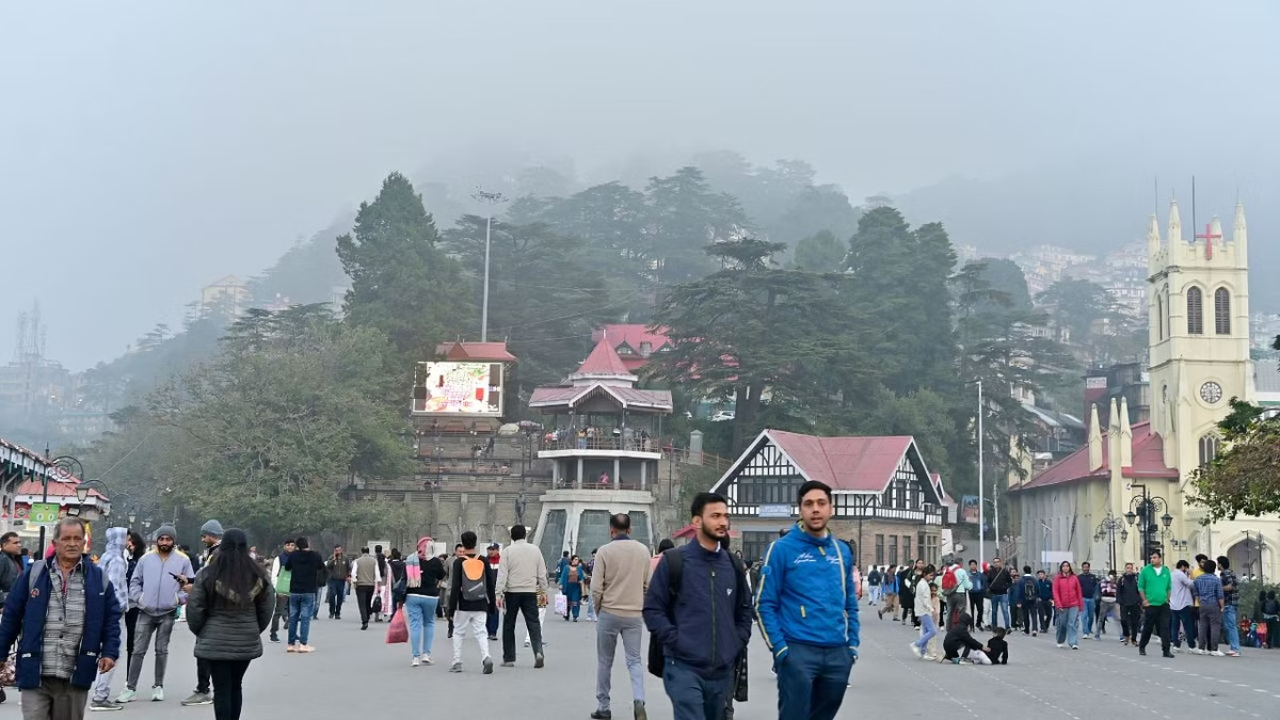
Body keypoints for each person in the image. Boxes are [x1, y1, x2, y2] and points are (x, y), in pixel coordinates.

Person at [644, 493, 752, 720]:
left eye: (725, 516)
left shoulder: (732, 565)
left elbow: (744, 609)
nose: (723, 521)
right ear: (696, 521)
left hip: (722, 671)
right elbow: (653, 609)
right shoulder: (675, 561)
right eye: (715, 516)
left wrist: (736, 640)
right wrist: (675, 640)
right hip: (682, 667)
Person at [0, 517, 122, 718]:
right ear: (55, 543)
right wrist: (1, 652)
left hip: (75, 671)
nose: (72, 543)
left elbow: (111, 618)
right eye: (66, 538)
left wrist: (109, 651)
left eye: (77, 538)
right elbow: (11, 616)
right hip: (35, 671)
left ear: (84, 543)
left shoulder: (98, 579)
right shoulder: (33, 575)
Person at [756, 481, 858, 720]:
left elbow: (850, 602)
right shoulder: (781, 549)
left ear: (831, 509)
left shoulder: (841, 551)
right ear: (800, 509)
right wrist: (781, 649)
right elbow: (764, 604)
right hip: (797, 649)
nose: (815, 509)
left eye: (821, 503)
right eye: (808, 504)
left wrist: (851, 645)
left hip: (837, 653)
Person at [185, 528, 274, 720]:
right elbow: (266, 609)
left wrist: (202, 631)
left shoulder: (208, 574)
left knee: (222, 688)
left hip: (215, 639)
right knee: (236, 685)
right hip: (246, 638)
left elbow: (195, 608)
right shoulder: (259, 575)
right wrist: (253, 628)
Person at [120, 524, 193, 703]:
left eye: (168, 539)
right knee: (137, 650)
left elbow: (190, 585)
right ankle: (130, 688)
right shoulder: (146, 559)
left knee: (161, 650)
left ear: (173, 541)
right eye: (162, 539)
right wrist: (139, 598)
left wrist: (178, 599)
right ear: (157, 540)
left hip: (168, 612)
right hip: (145, 611)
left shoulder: (183, 560)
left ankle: (158, 686)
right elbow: (135, 581)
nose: (164, 542)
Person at [589, 514, 651, 720]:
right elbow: (647, 584)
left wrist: (599, 610)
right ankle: (639, 699)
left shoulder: (604, 552)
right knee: (634, 660)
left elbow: (596, 588)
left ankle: (604, 706)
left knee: (605, 661)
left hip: (609, 611)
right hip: (633, 614)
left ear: (611, 530)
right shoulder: (643, 551)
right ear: (630, 530)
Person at [181, 519, 223, 707]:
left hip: (211, 608)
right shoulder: (215, 552)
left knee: (204, 650)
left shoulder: (218, 554)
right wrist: (191, 579)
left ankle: (203, 689)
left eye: (204, 535)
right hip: (214, 607)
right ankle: (212, 687)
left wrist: (194, 588)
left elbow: (211, 581)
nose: (203, 538)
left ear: (211, 534)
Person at [495, 524, 548, 669]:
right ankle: (538, 651)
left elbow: (502, 574)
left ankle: (509, 658)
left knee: (509, 624)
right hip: (530, 591)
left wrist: (498, 594)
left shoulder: (507, 551)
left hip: (512, 592)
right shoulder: (535, 550)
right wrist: (544, 592)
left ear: (511, 536)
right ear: (525, 535)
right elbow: (542, 573)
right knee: (533, 623)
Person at [88, 528, 129, 711]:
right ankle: (101, 695)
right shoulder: (118, 560)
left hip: (98, 609)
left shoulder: (105, 556)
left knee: (102, 652)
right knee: (112, 653)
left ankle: (99, 691)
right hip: (112, 612)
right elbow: (115, 588)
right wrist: (120, 608)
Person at [448, 531, 495, 674]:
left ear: (463, 543)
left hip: (463, 604)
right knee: (481, 632)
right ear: (476, 543)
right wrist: (491, 605)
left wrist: (451, 608)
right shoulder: (483, 560)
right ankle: (486, 656)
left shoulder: (459, 562)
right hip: (481, 602)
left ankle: (457, 661)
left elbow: (455, 586)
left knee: (458, 632)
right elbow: (490, 584)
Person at [403, 536, 446, 666]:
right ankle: (426, 654)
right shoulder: (436, 561)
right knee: (429, 623)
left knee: (415, 625)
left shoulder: (410, 560)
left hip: (412, 595)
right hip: (430, 597)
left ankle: (415, 657)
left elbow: (404, 579)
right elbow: (441, 576)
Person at [283, 536, 324, 653]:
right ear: (307, 544)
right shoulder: (315, 555)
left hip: (295, 590)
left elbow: (287, 567)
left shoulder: (293, 555)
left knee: (293, 617)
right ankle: (303, 644)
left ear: (297, 546)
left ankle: (290, 645)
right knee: (305, 618)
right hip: (309, 590)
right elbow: (321, 566)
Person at [1137, 551, 1173, 658]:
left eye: (1155, 557)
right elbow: (1140, 587)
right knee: (1148, 626)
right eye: (1151, 557)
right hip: (1151, 604)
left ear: (1160, 559)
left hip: (1163, 604)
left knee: (1165, 627)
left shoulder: (1166, 571)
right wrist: (1144, 600)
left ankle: (1166, 650)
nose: (1152, 559)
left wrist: (1167, 599)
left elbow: (1169, 587)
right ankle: (1142, 646)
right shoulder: (1146, 571)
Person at [122, 531, 146, 679]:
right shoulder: (122, 557)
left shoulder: (142, 560)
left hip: (134, 604)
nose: (128, 543)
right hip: (121, 603)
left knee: (133, 642)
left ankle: (130, 679)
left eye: (131, 541)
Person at [1192, 559, 1224, 656]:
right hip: (1214, 604)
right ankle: (1214, 649)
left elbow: (1196, 593)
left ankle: (1201, 648)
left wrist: (1199, 601)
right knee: (1215, 626)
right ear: (1214, 569)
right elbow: (1220, 595)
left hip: (1202, 605)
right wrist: (1222, 607)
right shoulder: (1216, 580)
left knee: (1202, 626)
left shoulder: (1198, 579)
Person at [1051, 560, 1083, 649]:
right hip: (1062, 605)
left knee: (1072, 623)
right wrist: (1058, 604)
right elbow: (1055, 592)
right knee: (1062, 624)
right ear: (1061, 568)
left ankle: (1073, 642)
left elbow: (1078, 592)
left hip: (1074, 604)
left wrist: (1080, 605)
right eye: (1064, 566)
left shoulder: (1074, 578)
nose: (1065, 567)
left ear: (1070, 567)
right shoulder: (1057, 578)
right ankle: (1060, 640)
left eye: (1067, 566)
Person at [268, 540, 295, 643]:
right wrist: (277, 588)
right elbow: (274, 575)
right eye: (288, 545)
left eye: (292, 545)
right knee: (278, 612)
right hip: (282, 588)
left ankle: (292, 632)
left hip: (294, 588)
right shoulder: (279, 559)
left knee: (294, 611)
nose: (290, 547)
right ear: (284, 546)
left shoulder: (297, 557)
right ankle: (273, 632)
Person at [909, 565, 938, 660]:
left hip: (921, 609)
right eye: (930, 575)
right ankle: (916, 644)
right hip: (924, 611)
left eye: (932, 575)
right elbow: (925, 600)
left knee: (926, 631)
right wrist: (931, 609)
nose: (932, 577)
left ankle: (923, 652)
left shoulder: (923, 583)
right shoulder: (923, 585)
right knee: (933, 631)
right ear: (925, 575)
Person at [1169, 559, 1197, 653]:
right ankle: (1191, 646)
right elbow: (1191, 584)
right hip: (1183, 604)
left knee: (1175, 626)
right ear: (1183, 567)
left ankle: (1176, 645)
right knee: (1188, 626)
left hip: (1173, 604)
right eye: (1186, 568)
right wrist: (1191, 574)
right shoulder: (1180, 574)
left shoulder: (1171, 574)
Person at [1216, 555, 1242, 656]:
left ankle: (1235, 649)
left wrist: (1219, 588)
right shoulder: (1231, 572)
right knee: (1230, 626)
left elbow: (1231, 586)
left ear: (1221, 564)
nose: (1217, 565)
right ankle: (1233, 647)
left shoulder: (1225, 573)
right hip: (1233, 602)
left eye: (1218, 563)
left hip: (1229, 603)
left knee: (1231, 626)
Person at [350, 547, 380, 631]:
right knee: (368, 602)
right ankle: (368, 615)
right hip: (370, 585)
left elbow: (353, 573)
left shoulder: (357, 561)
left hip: (361, 585)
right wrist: (378, 583)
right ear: (368, 552)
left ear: (362, 552)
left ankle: (364, 620)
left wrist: (354, 581)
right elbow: (377, 573)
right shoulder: (374, 561)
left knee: (361, 603)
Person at [984, 557, 1013, 630]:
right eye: (994, 562)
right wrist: (989, 588)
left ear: (1000, 563)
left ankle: (1007, 626)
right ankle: (994, 626)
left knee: (1005, 611)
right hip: (994, 594)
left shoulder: (1005, 571)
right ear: (993, 563)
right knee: (994, 611)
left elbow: (1010, 582)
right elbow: (987, 581)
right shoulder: (990, 572)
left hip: (1003, 594)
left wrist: (1005, 587)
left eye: (997, 562)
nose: (996, 563)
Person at [1117, 562, 1142, 645]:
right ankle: (1126, 635)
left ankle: (1134, 639)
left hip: (1135, 602)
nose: (1129, 570)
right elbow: (1118, 591)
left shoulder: (1136, 579)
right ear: (1125, 569)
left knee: (1135, 621)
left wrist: (1139, 601)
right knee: (1123, 620)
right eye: (1128, 568)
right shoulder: (1122, 579)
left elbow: (1140, 590)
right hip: (1124, 603)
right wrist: (1119, 601)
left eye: (1131, 568)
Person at [324, 545, 350, 620]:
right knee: (332, 595)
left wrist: (348, 576)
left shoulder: (345, 558)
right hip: (332, 580)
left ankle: (337, 612)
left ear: (341, 550)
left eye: (339, 550)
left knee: (340, 597)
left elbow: (348, 568)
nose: (338, 551)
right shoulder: (331, 557)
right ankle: (331, 611)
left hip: (341, 580)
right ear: (334, 551)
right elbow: (328, 566)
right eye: (336, 550)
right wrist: (334, 559)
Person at [561, 555, 587, 621]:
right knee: (567, 601)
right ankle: (566, 614)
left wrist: (582, 580)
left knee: (575, 601)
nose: (576, 561)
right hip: (568, 586)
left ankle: (575, 615)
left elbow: (582, 577)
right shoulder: (566, 568)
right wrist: (561, 584)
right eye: (575, 559)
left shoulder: (579, 568)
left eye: (577, 560)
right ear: (572, 560)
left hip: (576, 587)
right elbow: (563, 576)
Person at [1077, 561, 1099, 640]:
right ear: (1082, 568)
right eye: (1084, 567)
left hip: (1091, 599)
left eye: (1087, 567)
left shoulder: (1093, 577)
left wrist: (1096, 596)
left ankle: (1089, 629)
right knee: (1084, 616)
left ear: (1089, 568)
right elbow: (1077, 588)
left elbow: (1096, 587)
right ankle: (1085, 632)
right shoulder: (1079, 577)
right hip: (1083, 598)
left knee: (1091, 616)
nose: (1086, 568)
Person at [0, 531, 22, 606]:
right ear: (4, 545)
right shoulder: (2, 559)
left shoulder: (14, 559)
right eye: (15, 543)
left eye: (19, 542)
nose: (19, 545)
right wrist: (1, 603)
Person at [485, 543, 502, 639]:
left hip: (497, 590)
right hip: (486, 590)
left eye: (492, 549)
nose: (490, 551)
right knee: (486, 610)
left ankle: (493, 632)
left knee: (495, 611)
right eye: (489, 549)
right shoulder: (485, 560)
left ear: (497, 550)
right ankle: (486, 630)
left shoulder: (502, 561)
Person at [1017, 566, 1038, 636]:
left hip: (1024, 599)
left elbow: (1019, 591)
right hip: (1033, 599)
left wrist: (1019, 601)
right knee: (1034, 615)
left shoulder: (1021, 580)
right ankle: (1034, 629)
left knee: (1025, 615)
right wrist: (1036, 597)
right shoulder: (1034, 579)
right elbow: (1038, 589)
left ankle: (1027, 630)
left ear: (1024, 571)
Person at [1098, 569, 1119, 636]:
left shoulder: (1116, 582)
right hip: (1105, 601)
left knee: (1118, 619)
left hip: (1113, 602)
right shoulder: (1104, 581)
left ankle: (1122, 636)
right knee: (1101, 619)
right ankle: (1097, 634)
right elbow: (1105, 591)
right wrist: (1110, 584)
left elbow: (1116, 592)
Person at [967, 559, 987, 630]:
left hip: (979, 594)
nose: (973, 566)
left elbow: (984, 583)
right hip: (970, 594)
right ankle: (971, 625)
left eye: (974, 564)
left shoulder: (980, 574)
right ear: (969, 566)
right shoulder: (967, 574)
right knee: (971, 610)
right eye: (972, 564)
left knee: (980, 609)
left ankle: (978, 623)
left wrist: (981, 589)